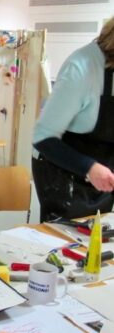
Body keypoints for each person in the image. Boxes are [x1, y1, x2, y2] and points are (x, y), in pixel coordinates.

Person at [32, 17, 114, 222]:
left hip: (103, 176)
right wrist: (89, 167)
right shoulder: (81, 67)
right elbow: (43, 137)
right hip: (63, 174)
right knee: (67, 245)